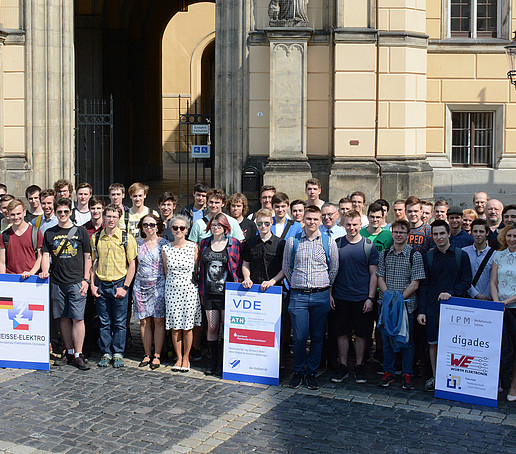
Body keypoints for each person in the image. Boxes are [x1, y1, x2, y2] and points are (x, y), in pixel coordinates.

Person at [283, 206, 339, 390]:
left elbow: (334, 269)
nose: (312, 222)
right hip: (298, 296)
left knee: (317, 337)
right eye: (309, 219)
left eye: (316, 219)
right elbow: (287, 268)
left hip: (320, 295)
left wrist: (322, 286)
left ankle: (312, 372)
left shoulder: (328, 242)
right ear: (303, 220)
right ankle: (298, 370)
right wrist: (297, 284)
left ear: (320, 220)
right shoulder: (293, 241)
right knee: (299, 337)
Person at [418, 220, 472, 392]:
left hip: (455, 308)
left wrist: (451, 292)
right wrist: (422, 311)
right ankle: (435, 377)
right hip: (433, 308)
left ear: (449, 234)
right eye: (435, 234)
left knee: (454, 345)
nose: (439, 237)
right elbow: (424, 286)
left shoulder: (460, 255)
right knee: (433, 343)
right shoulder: (428, 257)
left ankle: (454, 378)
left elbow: (466, 281)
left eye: (442, 233)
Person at [39, 198, 92, 371]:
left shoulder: (81, 231)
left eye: (66, 211)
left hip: (76, 281)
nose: (62, 215)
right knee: (62, 317)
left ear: (71, 212)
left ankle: (78, 354)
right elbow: (46, 255)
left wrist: (86, 280)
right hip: (57, 282)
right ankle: (68, 351)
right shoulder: (49, 233)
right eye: (59, 212)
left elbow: (87, 257)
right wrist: (45, 271)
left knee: (77, 318)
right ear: (55, 212)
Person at [330, 210, 379, 384]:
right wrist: (330, 294)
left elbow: (374, 274)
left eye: (355, 224)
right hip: (341, 297)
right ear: (343, 224)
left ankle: (359, 366)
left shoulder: (368, 246)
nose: (351, 228)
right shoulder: (336, 244)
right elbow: (330, 272)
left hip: (361, 298)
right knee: (341, 333)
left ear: (361, 225)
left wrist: (370, 298)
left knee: (361, 334)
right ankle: (343, 365)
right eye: (348, 224)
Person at [376, 219, 425, 390]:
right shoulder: (384, 254)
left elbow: (415, 283)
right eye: (395, 232)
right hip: (387, 305)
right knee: (387, 338)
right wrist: (389, 297)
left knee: (406, 341)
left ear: (407, 235)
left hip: (406, 306)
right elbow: (380, 277)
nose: (398, 235)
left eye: (402, 232)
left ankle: (407, 373)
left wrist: (398, 299)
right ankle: (388, 371)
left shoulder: (415, 255)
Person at [90, 204, 137, 368]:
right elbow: (94, 263)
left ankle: (118, 352)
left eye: (114, 217)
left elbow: (132, 264)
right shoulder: (96, 238)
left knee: (119, 322)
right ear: (104, 217)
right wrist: (92, 284)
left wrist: (125, 287)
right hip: (102, 284)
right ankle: (106, 352)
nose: (111, 220)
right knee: (104, 322)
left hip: (119, 283)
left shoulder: (126, 238)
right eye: (108, 216)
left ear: (119, 219)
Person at [199, 213, 242, 376]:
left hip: (227, 293)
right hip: (209, 292)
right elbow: (200, 266)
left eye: (219, 225)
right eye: (214, 224)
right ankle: (211, 361)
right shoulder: (204, 243)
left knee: (226, 326)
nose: (216, 227)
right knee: (212, 326)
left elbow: (238, 266)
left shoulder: (234, 244)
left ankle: (225, 362)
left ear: (226, 227)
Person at [162, 215, 202, 373]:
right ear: (171, 229)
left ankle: (186, 357)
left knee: (187, 327)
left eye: (182, 228)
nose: (178, 231)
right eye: (175, 228)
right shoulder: (166, 248)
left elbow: (196, 269)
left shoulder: (193, 247)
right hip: (172, 290)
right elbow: (166, 272)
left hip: (189, 291)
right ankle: (178, 357)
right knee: (175, 327)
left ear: (187, 230)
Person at [133, 214, 168, 370]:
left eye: (152, 225)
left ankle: (157, 355)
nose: (149, 228)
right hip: (140, 286)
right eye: (146, 225)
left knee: (158, 320)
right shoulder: (137, 244)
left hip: (159, 286)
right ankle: (147, 354)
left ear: (158, 226)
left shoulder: (165, 244)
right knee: (144, 320)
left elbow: (167, 269)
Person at [490, 224, 516, 401]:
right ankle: (496, 381)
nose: (512, 239)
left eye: (515, 236)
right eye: (510, 236)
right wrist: (497, 303)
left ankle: (513, 385)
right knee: (497, 347)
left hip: (514, 309)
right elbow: (493, 282)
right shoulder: (499, 255)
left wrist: (506, 302)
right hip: (499, 309)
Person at [0, 199, 43, 278]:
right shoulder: (4, 235)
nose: (16, 217)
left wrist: (31, 273)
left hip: (31, 278)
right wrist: (3, 280)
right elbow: (2, 262)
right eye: (12, 214)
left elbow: (40, 257)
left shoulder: (35, 232)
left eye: (18, 214)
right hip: (11, 278)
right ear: (8, 215)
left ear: (24, 212)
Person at [464, 219, 494, 301]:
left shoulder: (495, 254)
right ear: (471, 232)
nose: (478, 234)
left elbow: (493, 279)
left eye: (481, 231)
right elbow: (462, 277)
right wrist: (476, 294)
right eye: (475, 231)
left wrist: (486, 295)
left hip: (487, 299)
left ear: (487, 233)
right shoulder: (463, 252)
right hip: (466, 297)